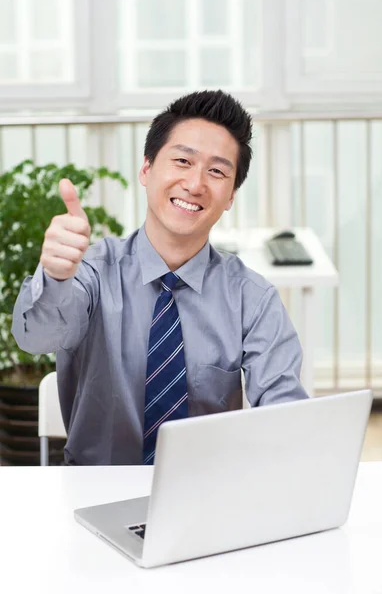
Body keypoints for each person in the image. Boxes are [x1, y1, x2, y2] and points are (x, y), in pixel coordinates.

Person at [12, 89, 308, 466]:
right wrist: (54, 276)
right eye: (183, 160)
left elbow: (285, 417)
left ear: (231, 195)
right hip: (94, 491)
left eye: (217, 171)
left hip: (207, 495)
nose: (196, 183)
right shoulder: (91, 271)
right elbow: (36, 339)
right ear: (146, 169)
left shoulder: (252, 298)